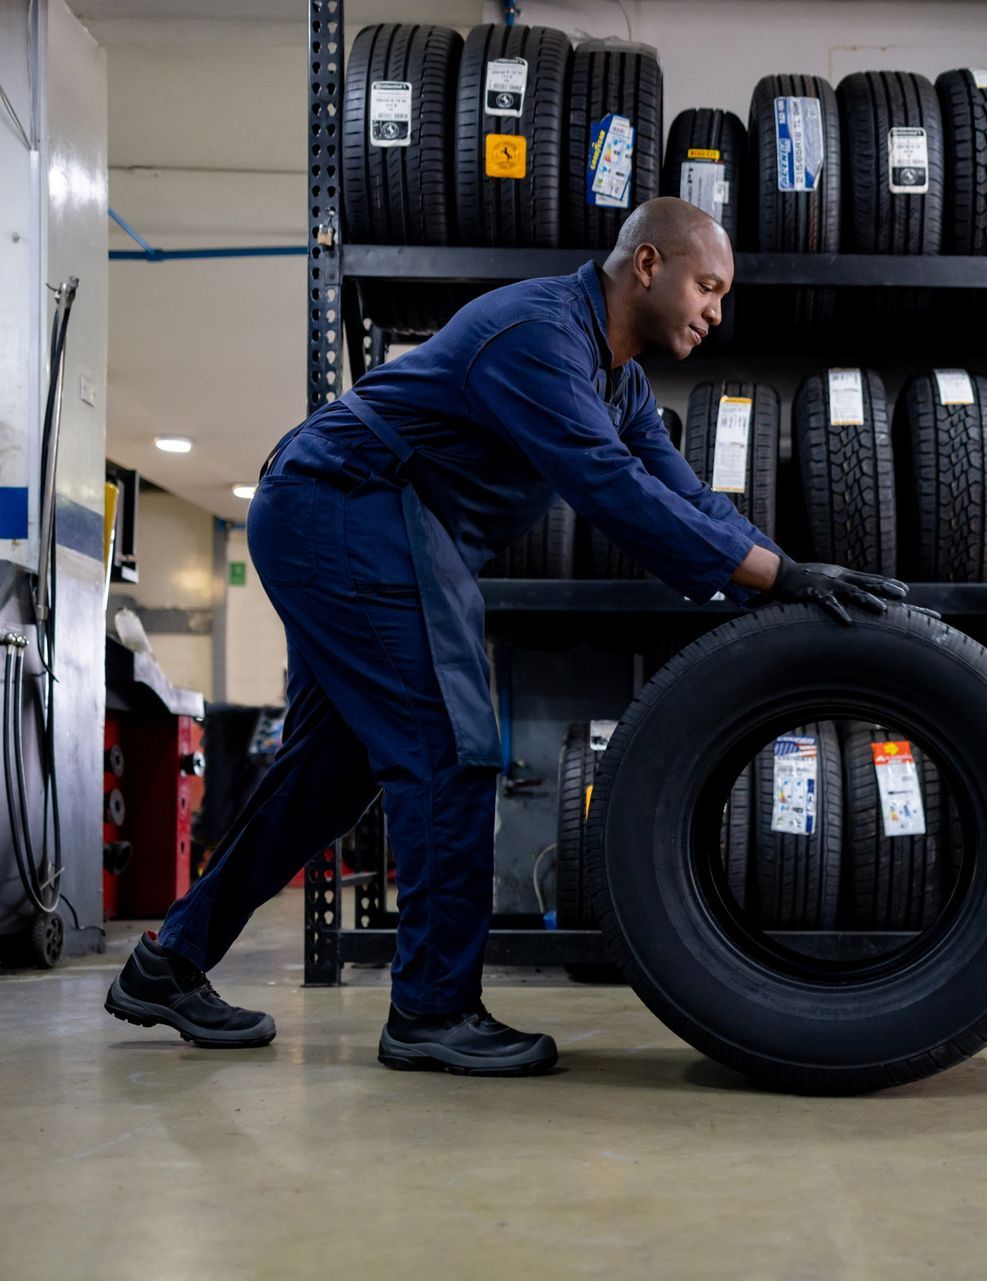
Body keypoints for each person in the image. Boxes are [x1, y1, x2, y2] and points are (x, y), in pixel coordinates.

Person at [104, 198, 908, 1076]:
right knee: (451, 746)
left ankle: (167, 965)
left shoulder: (621, 380)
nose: (716, 311)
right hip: (349, 501)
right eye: (707, 286)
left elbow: (682, 494)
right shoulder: (539, 335)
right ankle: (431, 1012)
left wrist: (788, 570)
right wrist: (774, 578)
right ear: (648, 266)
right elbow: (609, 489)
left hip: (364, 516)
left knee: (328, 774)